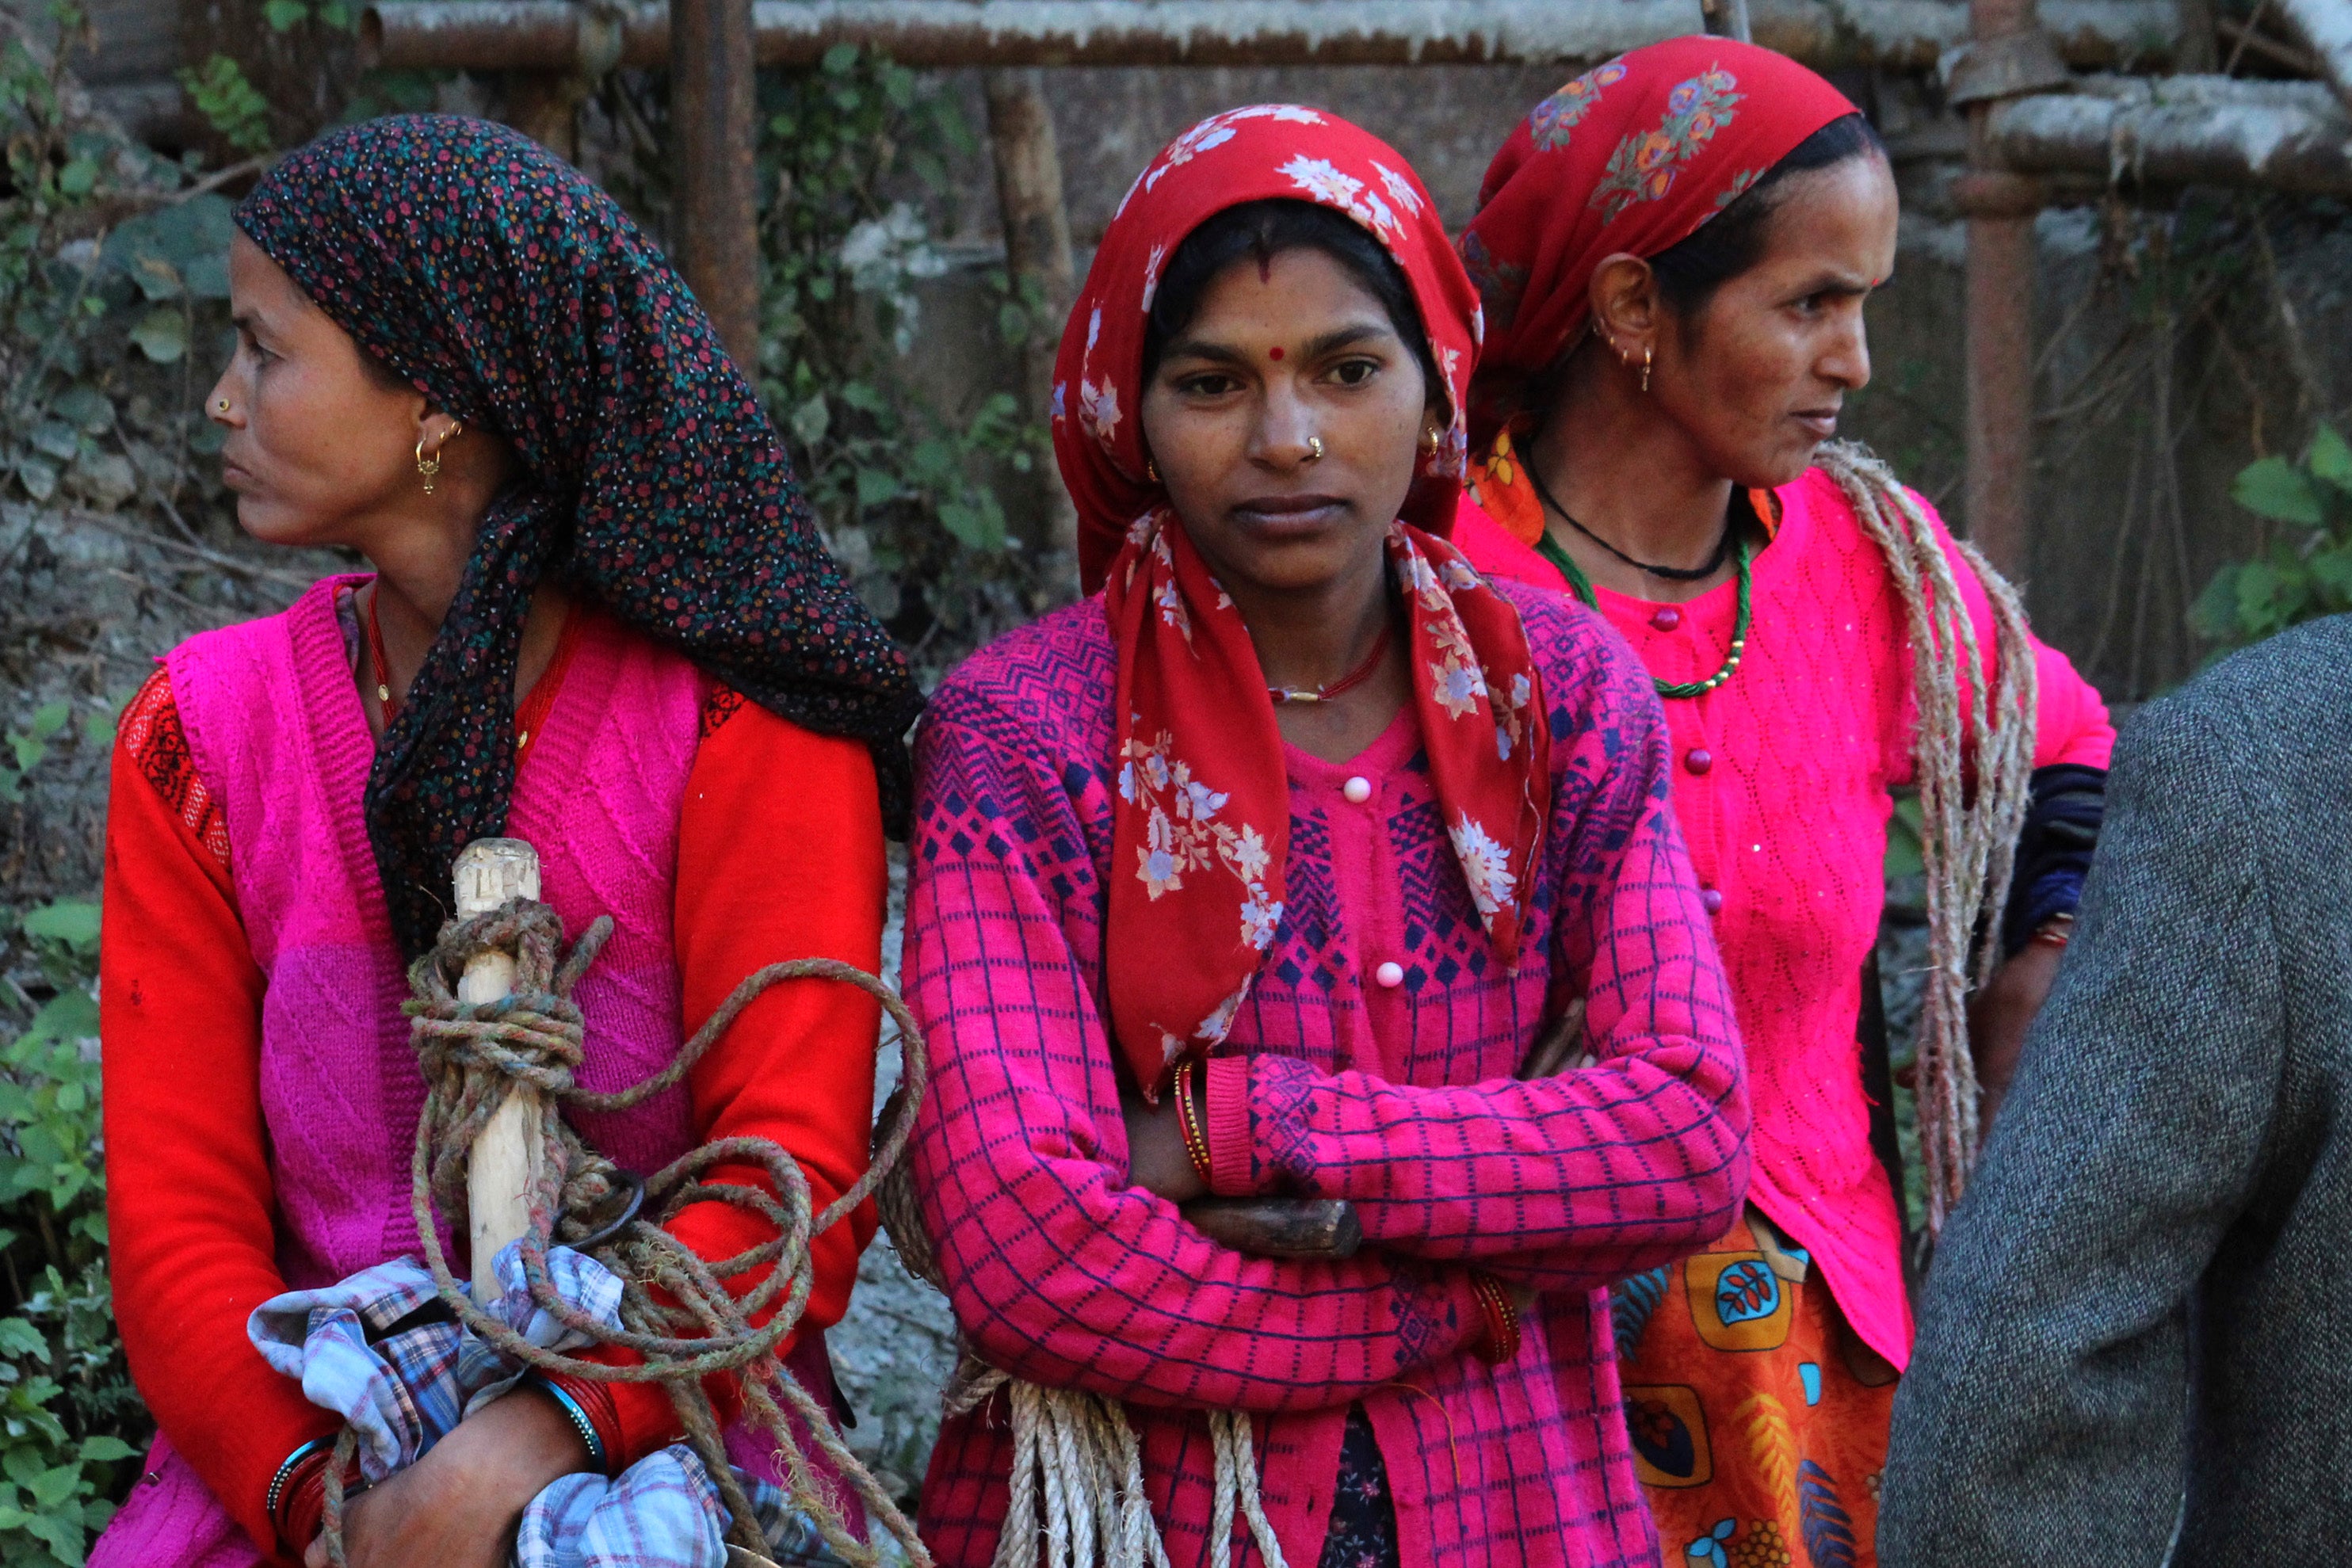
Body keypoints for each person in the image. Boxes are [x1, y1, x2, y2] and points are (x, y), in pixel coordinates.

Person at [899, 105, 1750, 1568]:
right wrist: (1462, 1288)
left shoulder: (1563, 694)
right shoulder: (1020, 736)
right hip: (1129, 1519)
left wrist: (1247, 1128)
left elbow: (1681, 1136)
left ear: (1434, 393)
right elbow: (1023, 1247)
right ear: (1128, 414)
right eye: (1212, 380)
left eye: (1348, 371)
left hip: (1522, 1505)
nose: (1285, 438)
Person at [92, 116, 920, 1567]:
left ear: (436, 397)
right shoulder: (200, 740)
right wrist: (332, 1511)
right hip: (302, 1471)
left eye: (263, 351)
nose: (221, 399)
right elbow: (178, 1248)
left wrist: (523, 1446)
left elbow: (779, 1194)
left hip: (673, 1444)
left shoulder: (746, 730)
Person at [1446, 38, 2116, 1565]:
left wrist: (2040, 956)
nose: (1855, 361)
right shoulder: (1428, 586)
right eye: (1808, 304)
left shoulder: (1865, 564)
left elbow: (2064, 745)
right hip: (1508, 1366)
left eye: (1861, 304)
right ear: (1630, 306)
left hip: (1825, 1376)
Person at [1877, 614, 2352, 1563]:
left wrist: (2052, 930)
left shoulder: (2267, 764)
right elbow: (2022, 1377)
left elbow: (2017, 1371)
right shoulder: (2270, 774)